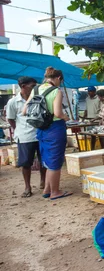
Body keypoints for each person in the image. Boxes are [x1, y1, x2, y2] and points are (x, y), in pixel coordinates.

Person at [23, 68, 72, 200]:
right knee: (55, 161)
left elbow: (24, 110)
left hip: (41, 129)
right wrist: (66, 117)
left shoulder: (36, 89)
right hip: (55, 129)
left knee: (47, 159)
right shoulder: (56, 91)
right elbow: (57, 113)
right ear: (58, 78)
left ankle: (47, 189)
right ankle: (55, 192)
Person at [6, 76, 46, 197]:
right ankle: (27, 187)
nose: (35, 88)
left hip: (40, 134)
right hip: (24, 137)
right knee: (26, 163)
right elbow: (11, 119)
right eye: (32, 86)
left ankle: (43, 181)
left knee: (43, 161)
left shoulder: (37, 98)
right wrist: (19, 129)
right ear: (23, 86)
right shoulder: (13, 102)